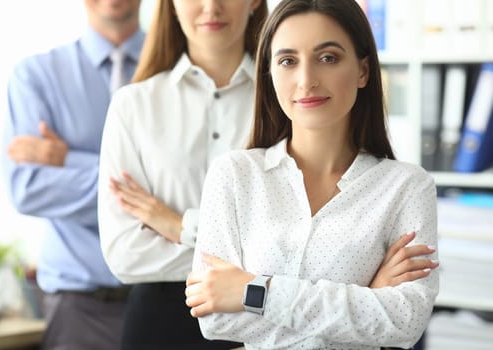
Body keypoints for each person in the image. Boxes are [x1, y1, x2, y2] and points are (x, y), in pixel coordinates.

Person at [185, 0, 439, 349]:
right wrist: (367, 299)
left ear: (363, 71)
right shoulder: (234, 175)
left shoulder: (407, 187)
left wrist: (252, 291)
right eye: (288, 61)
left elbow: (405, 321)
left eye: (328, 58)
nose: (307, 80)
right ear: (270, 73)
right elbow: (216, 319)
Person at [97, 1, 268, 348]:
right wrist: (250, 261)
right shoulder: (133, 106)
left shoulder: (285, 101)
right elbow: (125, 254)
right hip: (159, 324)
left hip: (263, 320)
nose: (211, 7)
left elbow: (305, 236)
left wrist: (179, 226)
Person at [2, 1, 144, 349]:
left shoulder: (180, 70)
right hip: (78, 311)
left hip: (168, 304)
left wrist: (67, 161)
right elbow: (28, 189)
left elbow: (194, 187)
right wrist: (148, 197)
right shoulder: (35, 75)